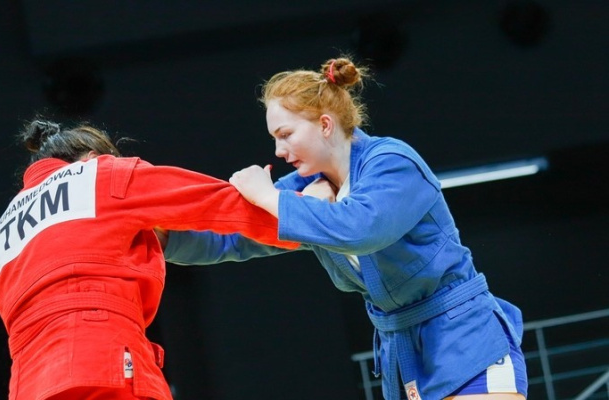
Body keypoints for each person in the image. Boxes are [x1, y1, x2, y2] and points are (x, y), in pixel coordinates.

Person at [161, 57, 528, 399]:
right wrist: (157, 237)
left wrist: (268, 196)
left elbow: (360, 229)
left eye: (286, 134)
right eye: (274, 138)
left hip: (464, 337)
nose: (278, 150)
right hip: (405, 353)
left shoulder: (392, 162)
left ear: (324, 124)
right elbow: (233, 235)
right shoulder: (305, 191)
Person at [0, 118, 299, 400]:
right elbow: (221, 205)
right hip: (102, 364)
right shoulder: (100, 174)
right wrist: (311, 217)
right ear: (93, 158)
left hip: (28, 386)